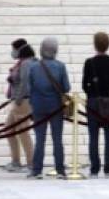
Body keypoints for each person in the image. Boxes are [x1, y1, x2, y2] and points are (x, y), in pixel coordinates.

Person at [27, 37, 70, 179]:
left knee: (40, 139)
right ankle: (60, 170)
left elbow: (28, 88)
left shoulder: (33, 67)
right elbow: (66, 87)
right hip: (56, 107)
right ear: (55, 51)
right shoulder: (60, 66)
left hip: (38, 106)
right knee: (57, 139)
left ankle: (37, 170)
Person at [82, 31, 109, 178]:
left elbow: (84, 85)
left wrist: (92, 93)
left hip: (93, 101)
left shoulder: (89, 62)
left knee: (93, 136)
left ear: (95, 45)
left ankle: (94, 169)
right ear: (108, 44)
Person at [4, 38, 35, 173]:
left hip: (23, 101)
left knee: (23, 132)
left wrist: (18, 99)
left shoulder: (27, 63)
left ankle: (31, 163)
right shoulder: (22, 63)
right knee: (9, 129)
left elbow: (25, 83)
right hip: (19, 100)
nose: (13, 52)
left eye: (14, 49)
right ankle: (16, 161)